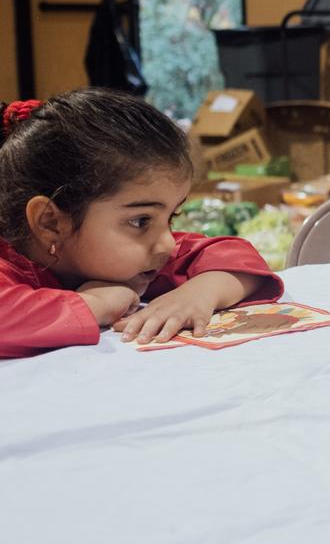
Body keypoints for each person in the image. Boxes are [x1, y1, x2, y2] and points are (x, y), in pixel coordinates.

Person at [0, 89, 283, 359]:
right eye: (141, 220)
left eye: (171, 217)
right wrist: (96, 305)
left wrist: (200, 293)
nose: (168, 244)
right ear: (50, 222)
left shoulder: (137, 260)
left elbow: (235, 254)